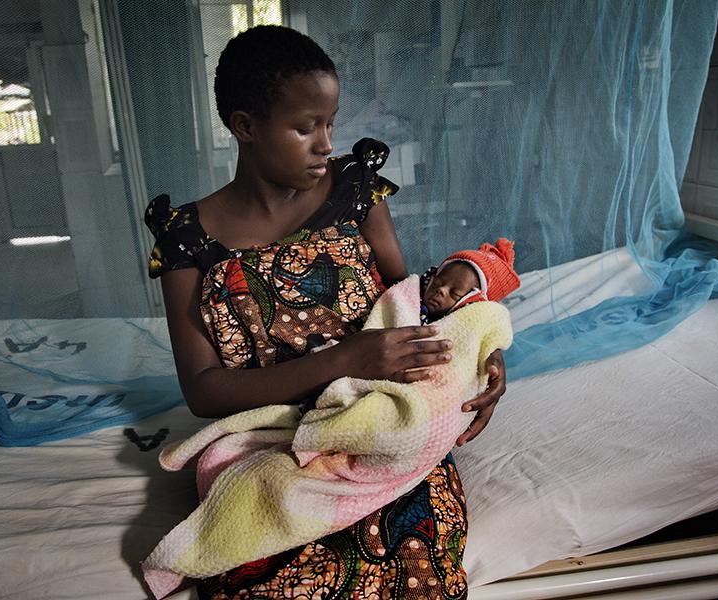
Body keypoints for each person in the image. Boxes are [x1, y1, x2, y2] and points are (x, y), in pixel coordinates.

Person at [144, 24, 507, 600]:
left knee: (415, 557)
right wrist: (345, 357)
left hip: (380, 425)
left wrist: (482, 354)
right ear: (245, 127)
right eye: (304, 127)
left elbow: (410, 305)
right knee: (266, 564)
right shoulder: (188, 242)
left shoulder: (354, 193)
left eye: (330, 124)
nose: (325, 144)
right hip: (275, 439)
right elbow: (205, 393)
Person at [420, 238, 520, 324]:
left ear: (473, 304)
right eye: (438, 283)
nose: (441, 290)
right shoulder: (411, 303)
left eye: (454, 293)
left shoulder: (468, 333)